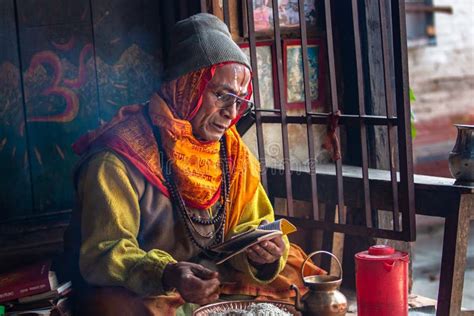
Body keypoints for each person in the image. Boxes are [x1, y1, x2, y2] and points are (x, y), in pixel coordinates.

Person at [62, 13, 323, 315]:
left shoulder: (233, 154)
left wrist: (261, 253)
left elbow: (249, 227)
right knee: (117, 308)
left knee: (300, 274)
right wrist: (168, 272)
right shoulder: (117, 158)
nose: (231, 112)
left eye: (240, 100)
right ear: (186, 87)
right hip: (149, 283)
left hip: (213, 273)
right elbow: (104, 254)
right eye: (221, 95)